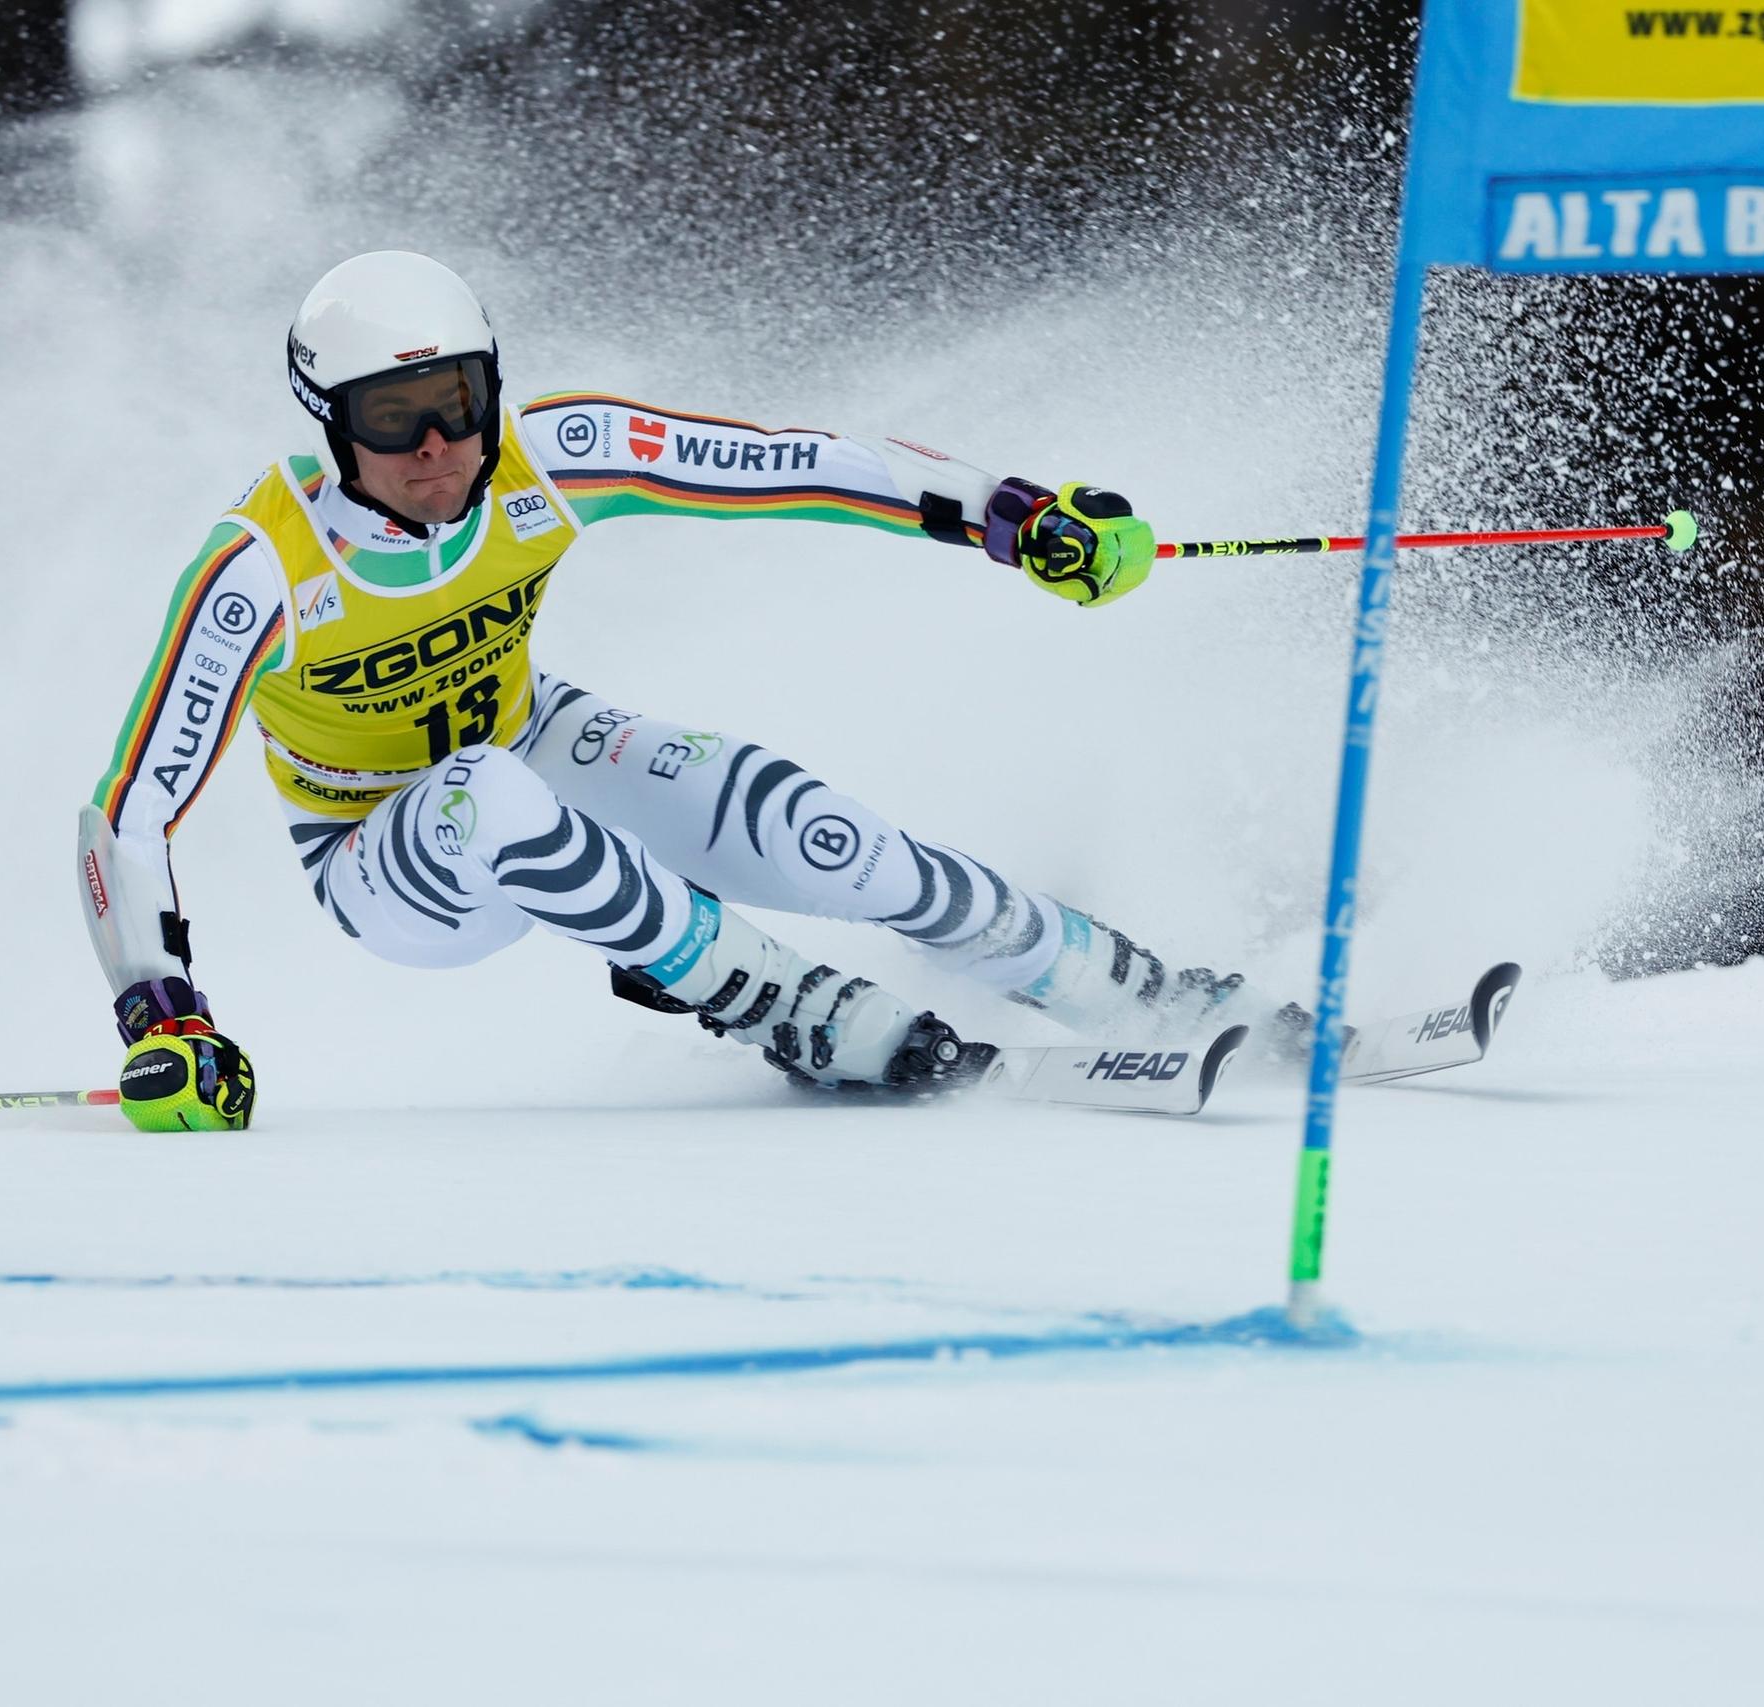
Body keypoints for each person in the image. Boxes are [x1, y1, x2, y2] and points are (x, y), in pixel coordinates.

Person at [81, 251, 1239, 1132]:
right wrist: (161, 1012)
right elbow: (130, 811)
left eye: (459, 400)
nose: (437, 443)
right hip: (384, 856)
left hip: (530, 736)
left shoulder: (548, 453)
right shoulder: (263, 569)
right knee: (483, 790)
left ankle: (1108, 981)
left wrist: (1009, 514)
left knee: (814, 831)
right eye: (393, 416)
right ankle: (769, 997)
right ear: (330, 420)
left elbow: (789, 463)